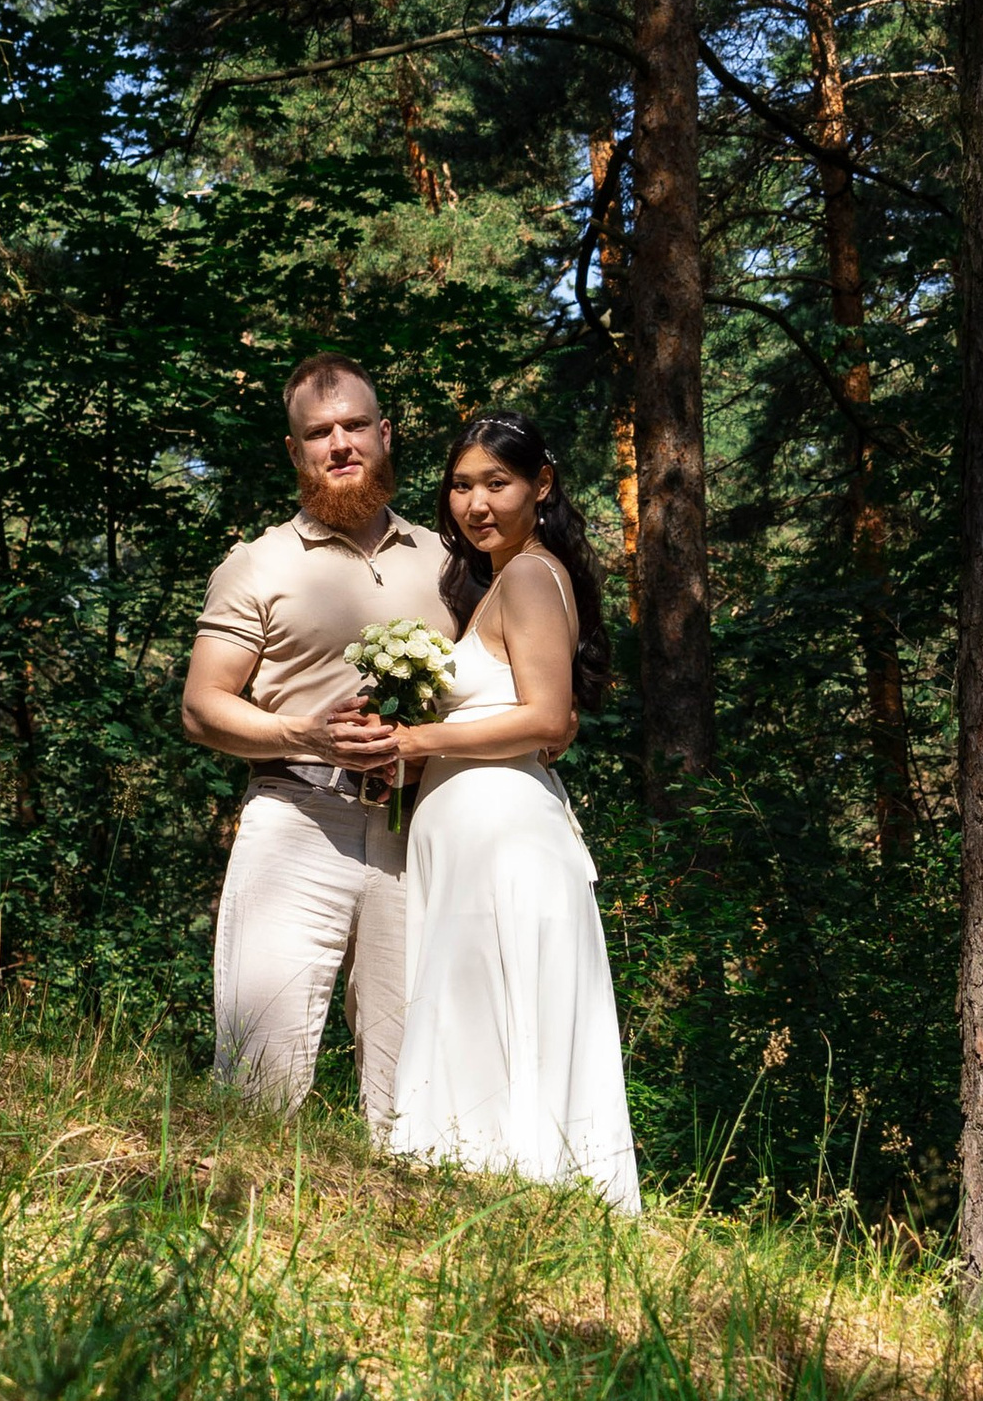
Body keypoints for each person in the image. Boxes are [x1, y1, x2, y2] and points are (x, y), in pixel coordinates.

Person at [180, 355, 460, 1133]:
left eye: (355, 426)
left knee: (417, 1090)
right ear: (294, 450)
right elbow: (201, 708)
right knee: (259, 1077)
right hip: (296, 824)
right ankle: (238, 1204)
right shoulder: (257, 562)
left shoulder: (448, 561)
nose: (340, 444)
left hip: (418, 832)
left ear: (385, 434)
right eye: (318, 433)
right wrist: (304, 733)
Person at [373, 408, 640, 1209]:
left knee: (496, 1007)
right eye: (461, 486)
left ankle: (504, 1194)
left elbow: (547, 719)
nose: (476, 504)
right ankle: (488, 1198)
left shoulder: (527, 576)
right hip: (476, 840)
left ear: (541, 484)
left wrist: (416, 739)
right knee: (477, 1010)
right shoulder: (506, 581)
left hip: (504, 841)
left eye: (498, 483)